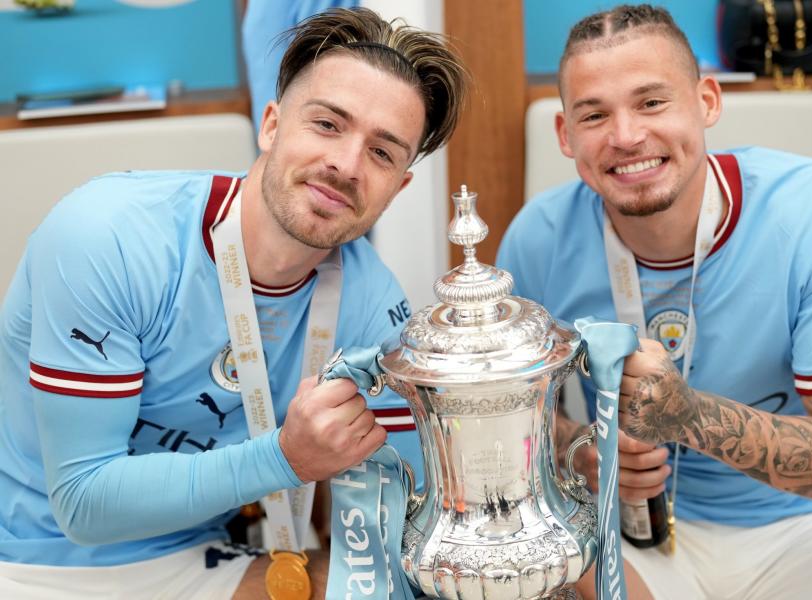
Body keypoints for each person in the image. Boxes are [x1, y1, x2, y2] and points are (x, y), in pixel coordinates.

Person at [0, 7, 466, 599]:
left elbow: (412, 504)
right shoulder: (109, 236)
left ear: (398, 186)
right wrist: (286, 458)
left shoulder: (372, 300)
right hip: (33, 562)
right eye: (327, 124)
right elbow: (83, 504)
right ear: (271, 125)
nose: (346, 165)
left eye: (381, 153)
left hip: (202, 558)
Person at [497, 5, 812, 599]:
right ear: (566, 136)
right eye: (595, 114)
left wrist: (686, 416)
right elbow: (504, 425)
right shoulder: (536, 237)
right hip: (620, 528)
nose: (626, 136)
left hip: (795, 528)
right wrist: (578, 449)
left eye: (651, 102)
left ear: (708, 102)